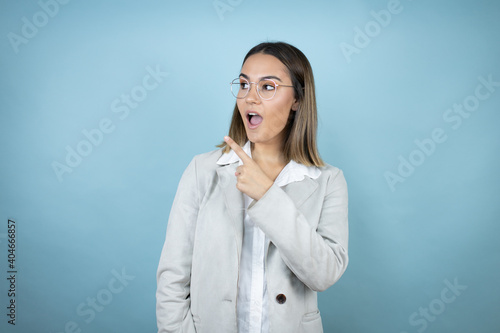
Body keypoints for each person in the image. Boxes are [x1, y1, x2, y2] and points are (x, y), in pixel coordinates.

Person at [156, 41, 348, 333]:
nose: (250, 98)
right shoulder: (202, 170)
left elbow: (323, 274)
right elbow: (173, 277)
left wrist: (267, 197)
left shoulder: (328, 181)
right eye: (244, 85)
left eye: (268, 87)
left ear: (297, 99)